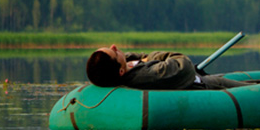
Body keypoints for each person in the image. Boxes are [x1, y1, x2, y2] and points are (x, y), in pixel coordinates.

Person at [85, 44, 251, 90]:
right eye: (114, 52)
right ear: (121, 71)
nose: (114, 46)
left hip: (200, 78)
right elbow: (183, 64)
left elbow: (129, 57)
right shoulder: (147, 75)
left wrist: (134, 59)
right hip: (203, 84)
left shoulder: (123, 72)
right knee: (254, 89)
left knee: (254, 79)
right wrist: (150, 57)